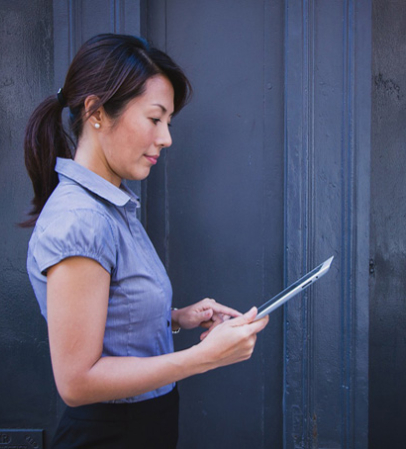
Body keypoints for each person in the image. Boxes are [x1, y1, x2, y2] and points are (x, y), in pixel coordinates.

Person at [22, 33, 269, 448]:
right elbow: (77, 382)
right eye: (155, 119)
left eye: (168, 123)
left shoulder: (110, 206)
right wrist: (203, 358)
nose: (166, 138)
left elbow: (107, 315)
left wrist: (174, 317)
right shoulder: (82, 219)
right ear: (96, 111)